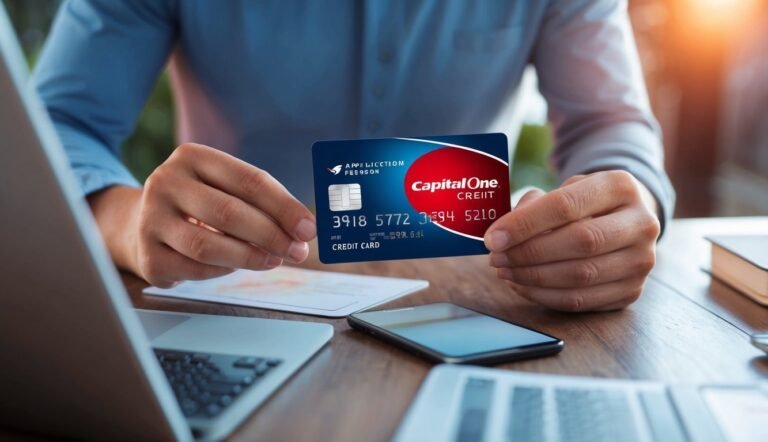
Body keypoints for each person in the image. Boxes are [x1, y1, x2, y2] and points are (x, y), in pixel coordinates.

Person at [33, 0, 674, 312]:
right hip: (231, 296)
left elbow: (610, 124)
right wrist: (122, 220)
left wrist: (621, 212)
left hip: (459, 307)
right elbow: (56, 125)